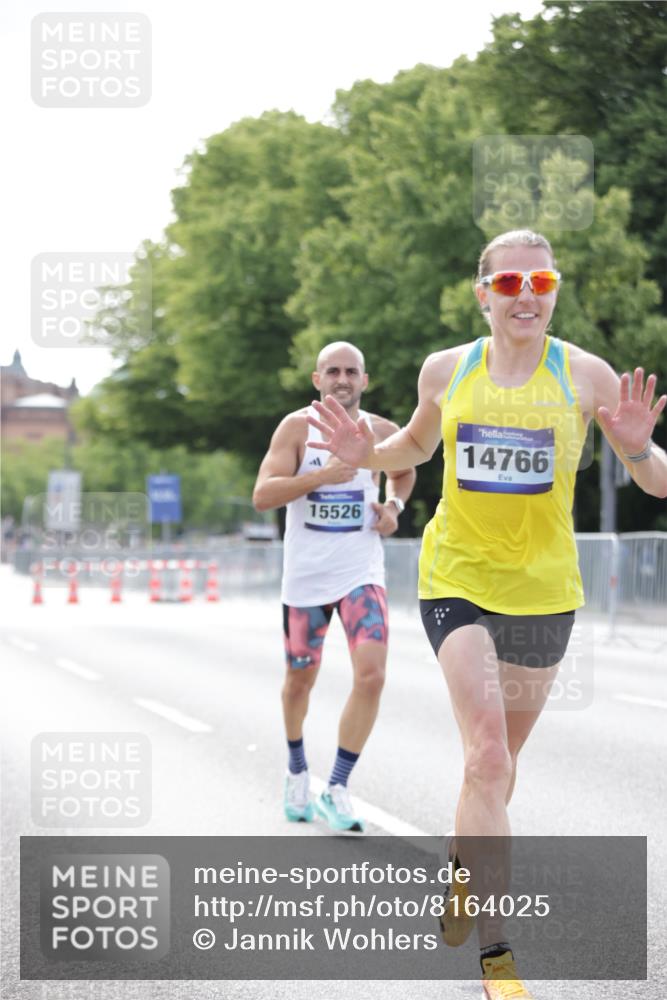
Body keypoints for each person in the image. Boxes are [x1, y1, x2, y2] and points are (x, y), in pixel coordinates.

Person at [307, 231, 667, 998]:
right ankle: (496, 956)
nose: (525, 295)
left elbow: (659, 480)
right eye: (508, 283)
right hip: (457, 579)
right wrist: (357, 452)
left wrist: (637, 452)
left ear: (554, 289)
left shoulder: (586, 375)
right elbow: (409, 444)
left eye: (539, 280)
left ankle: (462, 868)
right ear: (484, 294)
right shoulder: (447, 369)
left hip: (544, 593)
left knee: (497, 774)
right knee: (488, 757)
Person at [253, 341, 416, 832]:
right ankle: (297, 769)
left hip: (361, 573)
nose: (342, 379)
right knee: (299, 680)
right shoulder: (296, 428)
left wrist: (394, 510)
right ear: (317, 379)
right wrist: (323, 475)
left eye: (351, 371)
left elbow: (404, 472)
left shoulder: (381, 432)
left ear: (365, 380)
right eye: (333, 371)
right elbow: (263, 495)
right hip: (306, 579)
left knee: (372, 677)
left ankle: (338, 785)